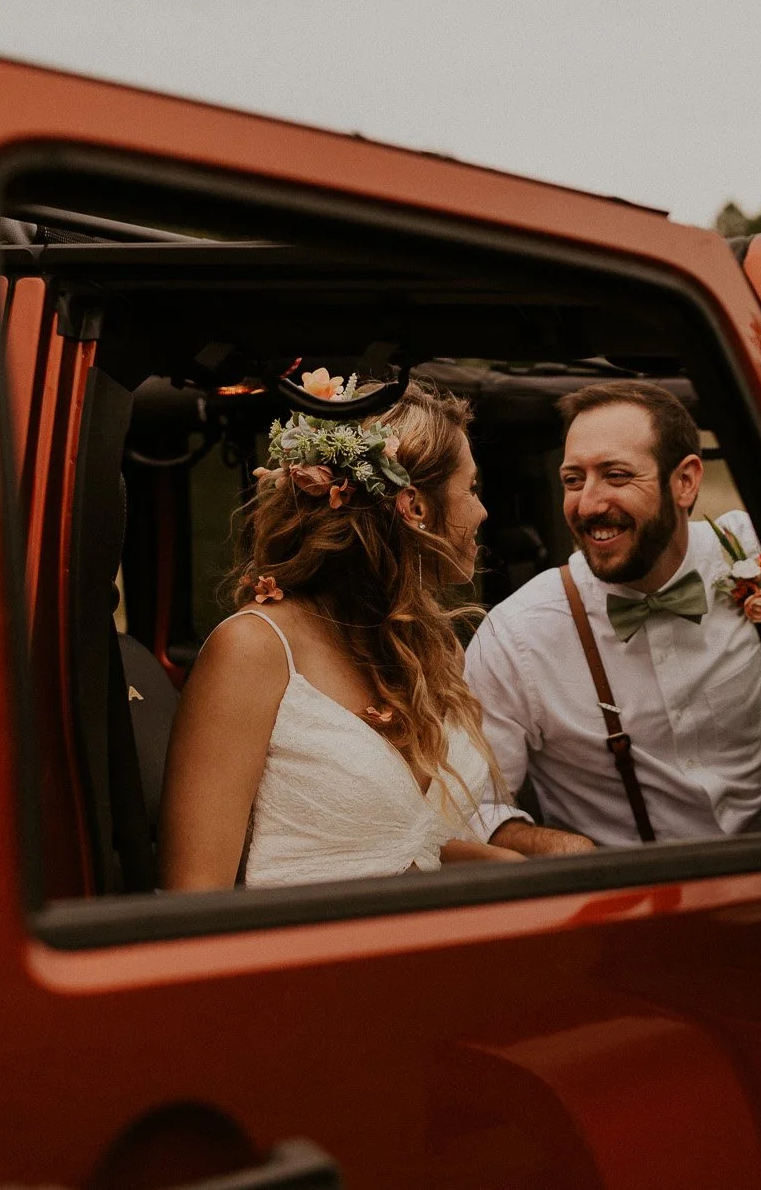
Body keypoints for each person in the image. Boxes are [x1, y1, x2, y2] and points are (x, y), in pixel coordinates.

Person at [160, 376, 528, 890]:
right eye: (471, 489)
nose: (482, 511)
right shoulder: (254, 650)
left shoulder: (419, 647)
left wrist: (517, 871)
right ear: (416, 507)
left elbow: (398, 842)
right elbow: (195, 897)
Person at [468, 381, 761, 848]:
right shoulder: (515, 637)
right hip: (628, 901)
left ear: (685, 481)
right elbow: (473, 809)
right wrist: (564, 850)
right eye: (573, 480)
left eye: (616, 476)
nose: (590, 504)